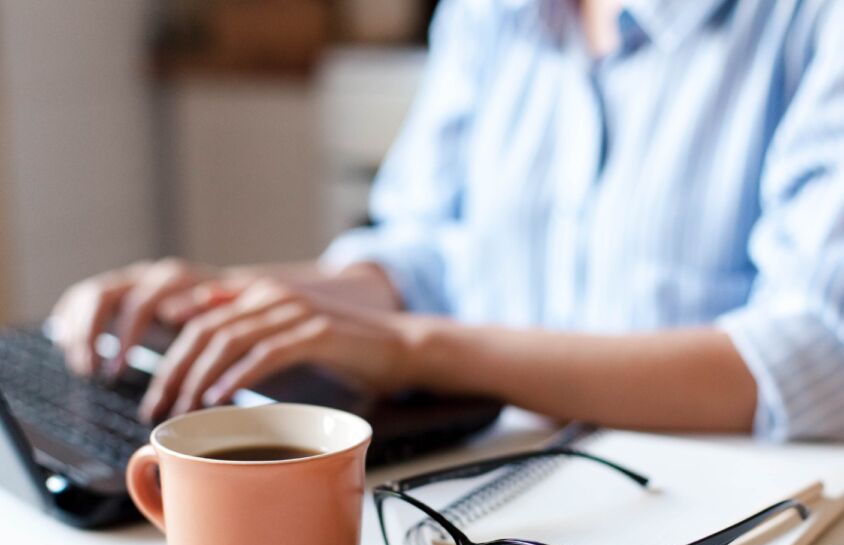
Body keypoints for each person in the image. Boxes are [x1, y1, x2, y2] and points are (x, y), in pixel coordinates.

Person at [51, 0, 844, 440]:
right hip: (502, 493)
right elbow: (425, 255)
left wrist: (414, 350)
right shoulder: (487, 14)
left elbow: (809, 356)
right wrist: (232, 300)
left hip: (721, 536)